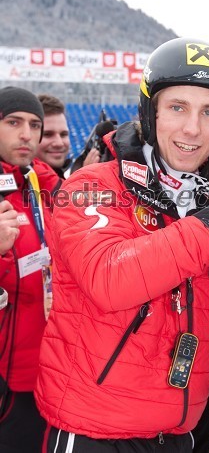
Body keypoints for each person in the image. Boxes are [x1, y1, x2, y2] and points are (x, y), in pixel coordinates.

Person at [33, 37, 209, 453]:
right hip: (97, 432)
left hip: (180, 433)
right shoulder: (90, 186)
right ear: (149, 112)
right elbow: (110, 279)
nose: (192, 128)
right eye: (177, 107)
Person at [0, 86, 61, 452]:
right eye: (13, 122)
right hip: (7, 377)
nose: (27, 134)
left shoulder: (43, 184)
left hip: (49, 368)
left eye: (34, 124)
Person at [36, 93, 100, 179]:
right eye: (47, 134)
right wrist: (84, 178)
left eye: (63, 134)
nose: (59, 143)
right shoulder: (21, 183)